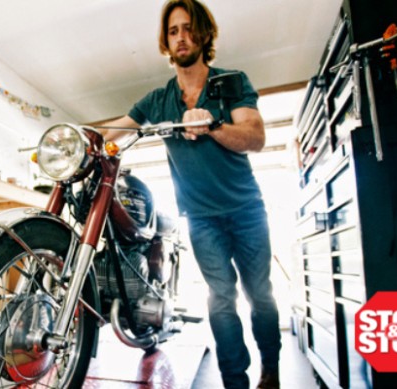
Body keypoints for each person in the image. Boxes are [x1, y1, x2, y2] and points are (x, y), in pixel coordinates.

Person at [103, 1, 281, 388]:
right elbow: (114, 132)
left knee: (260, 295)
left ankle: (271, 365)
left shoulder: (231, 82)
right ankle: (235, 380)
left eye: (188, 29)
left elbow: (255, 137)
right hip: (201, 217)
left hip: (247, 210)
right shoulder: (158, 100)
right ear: (166, 43)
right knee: (220, 298)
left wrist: (212, 125)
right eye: (172, 31)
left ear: (203, 34)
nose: (181, 37)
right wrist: (73, 145)